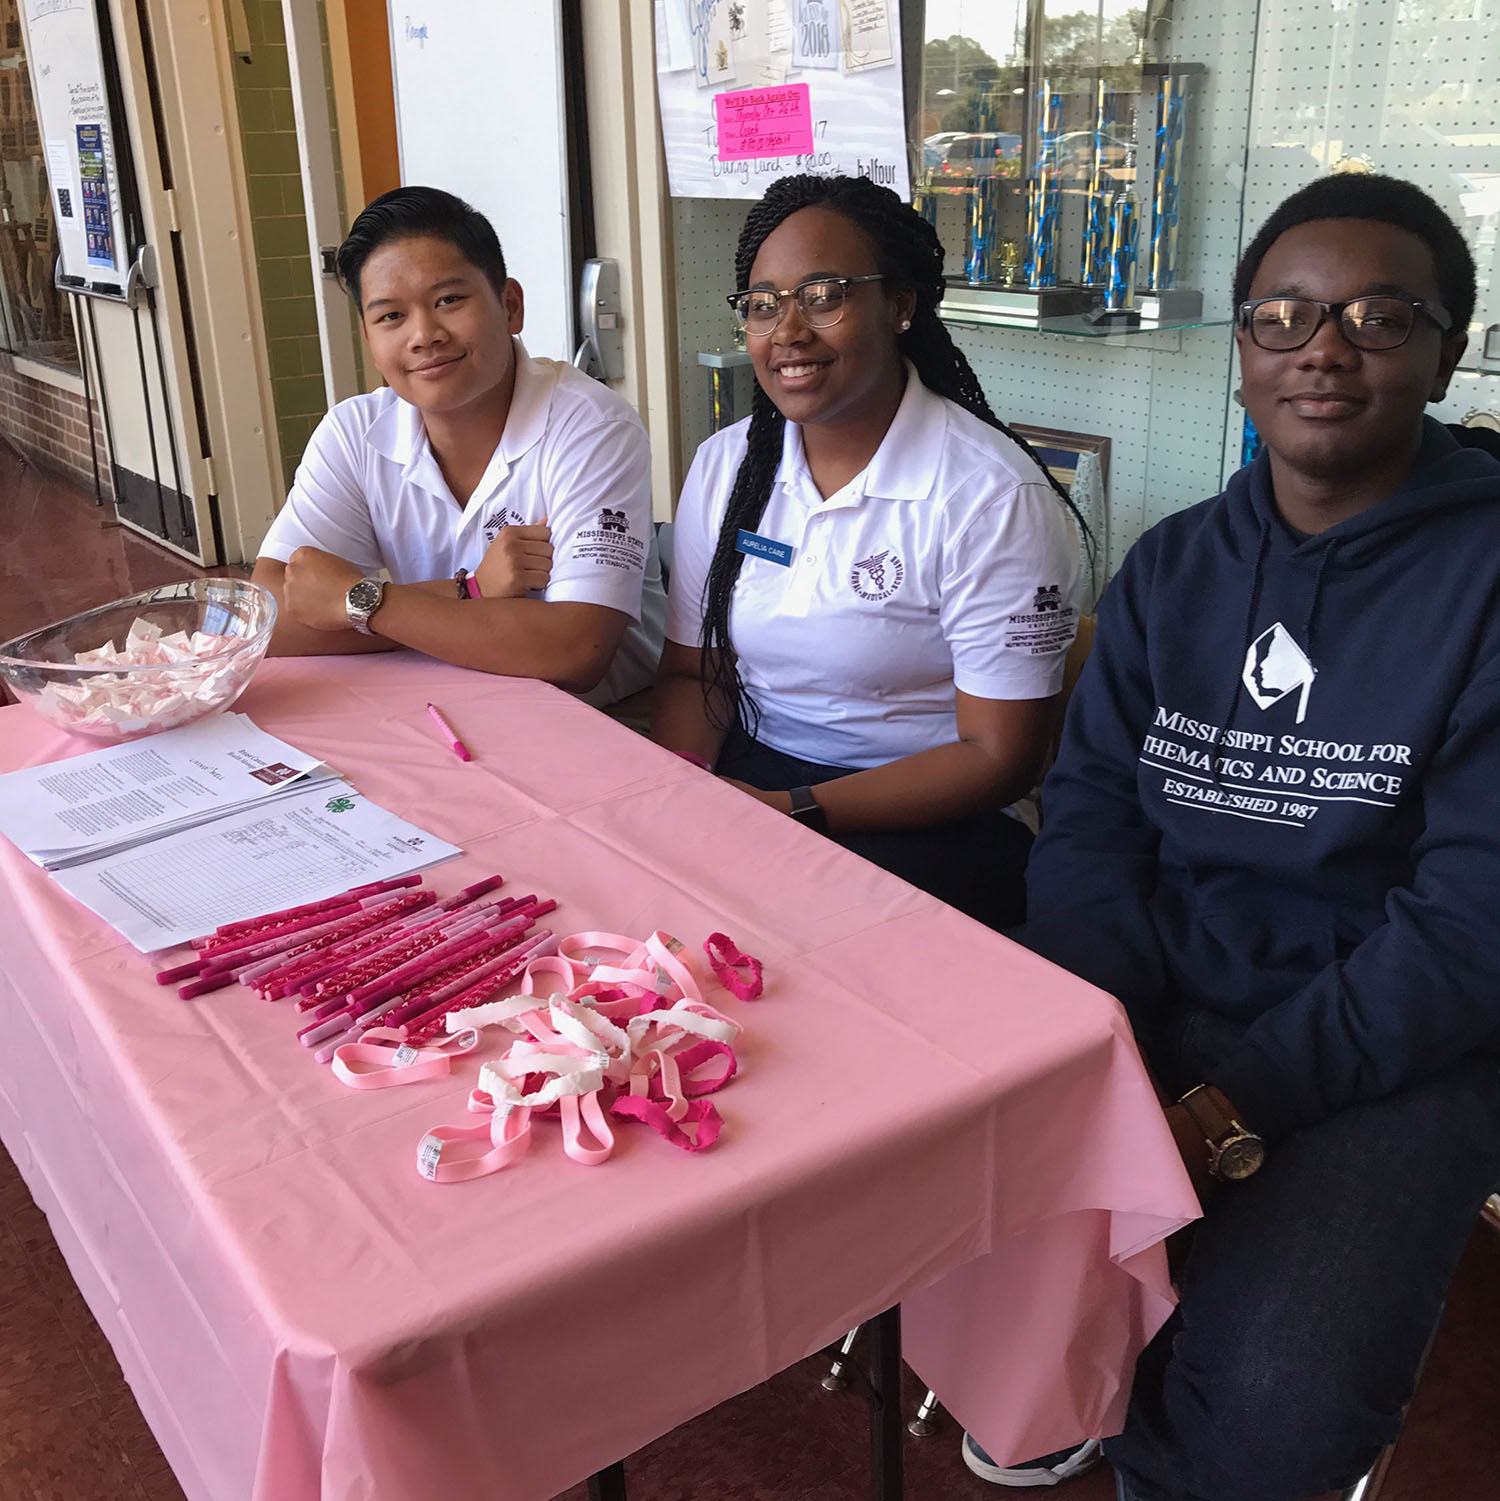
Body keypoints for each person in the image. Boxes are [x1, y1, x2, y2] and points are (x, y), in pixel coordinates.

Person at [963, 174, 1500, 1497]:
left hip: (1389, 1043)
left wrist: (1225, 1109)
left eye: (1382, 316)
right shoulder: (1176, 563)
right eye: (1285, 315)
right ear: (1245, 355)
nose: (1325, 345)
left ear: (1446, 351)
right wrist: (1109, 1037)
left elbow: (1471, 922)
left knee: (1274, 1407)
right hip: (1149, 992)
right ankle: (1109, 1400)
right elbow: (1086, 817)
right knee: (933, 1226)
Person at [653, 173, 1084, 928]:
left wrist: (791, 811)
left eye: (823, 295)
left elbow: (999, 756)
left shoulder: (989, 494)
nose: (787, 330)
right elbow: (696, 671)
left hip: (934, 812)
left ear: (901, 306)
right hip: (755, 778)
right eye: (763, 304)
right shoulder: (728, 467)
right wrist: (687, 789)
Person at [252, 186, 664, 709]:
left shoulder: (591, 427)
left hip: (603, 718)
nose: (423, 336)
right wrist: (469, 591)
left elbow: (577, 650)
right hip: (442, 704)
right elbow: (267, 619)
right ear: (370, 339)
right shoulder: (355, 433)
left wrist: (358, 602)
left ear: (510, 305)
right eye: (390, 317)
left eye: (448, 300)